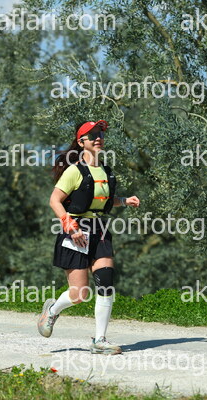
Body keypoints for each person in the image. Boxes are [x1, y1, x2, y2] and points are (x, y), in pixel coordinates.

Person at [37, 120, 140, 355]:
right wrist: (70, 226)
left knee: (106, 280)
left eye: (100, 134)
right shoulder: (74, 171)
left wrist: (124, 201)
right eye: (92, 135)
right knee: (80, 294)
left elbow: (102, 200)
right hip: (76, 229)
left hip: (99, 229)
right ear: (82, 142)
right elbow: (54, 200)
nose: (98, 138)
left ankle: (100, 340)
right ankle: (52, 311)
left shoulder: (106, 171)